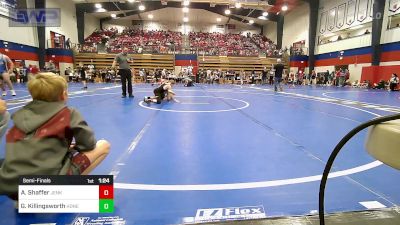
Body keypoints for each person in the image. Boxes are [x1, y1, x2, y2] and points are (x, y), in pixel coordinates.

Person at [0, 73, 110, 199]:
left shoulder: (21, 115)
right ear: (64, 95)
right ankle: (63, 192)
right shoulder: (69, 114)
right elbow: (88, 144)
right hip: (48, 184)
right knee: (103, 146)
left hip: (14, 189)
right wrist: (72, 149)